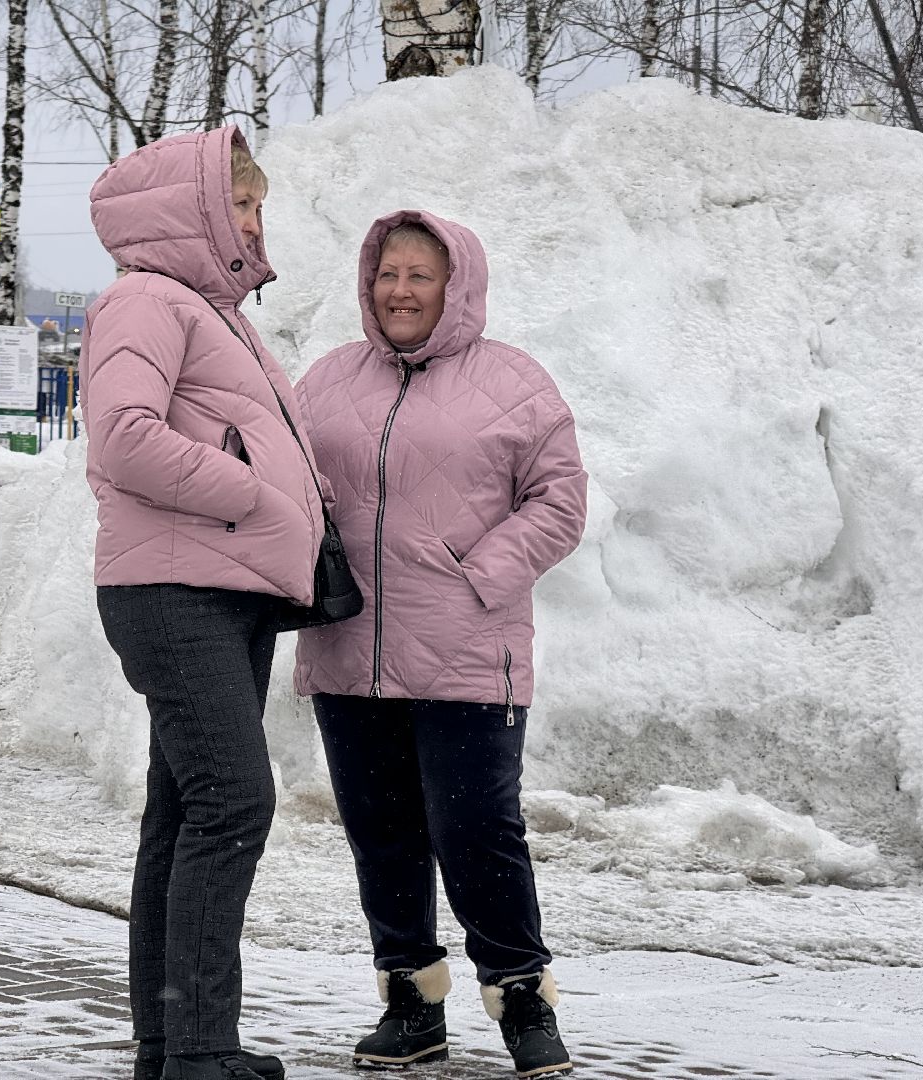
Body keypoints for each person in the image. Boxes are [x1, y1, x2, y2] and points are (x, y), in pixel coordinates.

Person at [293, 211, 588, 1078]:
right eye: (387, 274)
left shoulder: (516, 383)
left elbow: (559, 503)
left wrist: (480, 574)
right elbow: (288, 482)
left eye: (420, 275)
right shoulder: (327, 382)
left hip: (467, 651)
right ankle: (411, 1004)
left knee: (475, 829)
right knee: (380, 832)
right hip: (351, 646)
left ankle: (523, 999)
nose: (400, 291)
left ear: (457, 285)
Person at [81, 127, 325, 1080]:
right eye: (244, 204)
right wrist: (251, 492)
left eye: (260, 205)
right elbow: (125, 439)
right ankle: (200, 1049)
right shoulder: (145, 300)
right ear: (195, 210)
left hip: (221, 590)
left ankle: (171, 1045)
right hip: (175, 590)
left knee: (184, 817)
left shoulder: (210, 310)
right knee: (234, 803)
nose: (258, 224)